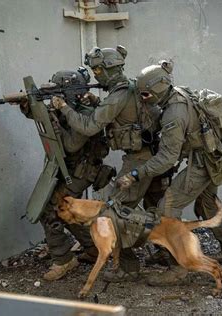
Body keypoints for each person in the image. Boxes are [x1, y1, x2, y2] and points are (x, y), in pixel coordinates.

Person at [52, 46, 170, 282]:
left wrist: (63, 108)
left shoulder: (118, 94)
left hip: (139, 159)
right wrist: (97, 100)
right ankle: (168, 254)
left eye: (97, 70)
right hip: (152, 156)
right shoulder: (131, 86)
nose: (95, 75)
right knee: (157, 208)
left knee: (113, 212)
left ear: (108, 69)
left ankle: (128, 266)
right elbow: (124, 112)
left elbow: (89, 127)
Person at [117, 61, 222, 286]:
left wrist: (135, 174)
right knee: (208, 205)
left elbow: (167, 158)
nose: (144, 99)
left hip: (201, 165)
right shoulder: (180, 92)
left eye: (145, 94)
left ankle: (177, 268)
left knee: (166, 209)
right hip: (212, 157)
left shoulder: (173, 114)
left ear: (157, 90)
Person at [19, 69, 114, 281]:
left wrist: (55, 112)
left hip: (81, 171)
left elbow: (70, 145)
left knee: (51, 210)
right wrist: (29, 106)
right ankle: (92, 248)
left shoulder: (86, 113)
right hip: (65, 169)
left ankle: (63, 259)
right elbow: (44, 117)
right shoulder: (70, 106)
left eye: (59, 92)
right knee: (69, 212)